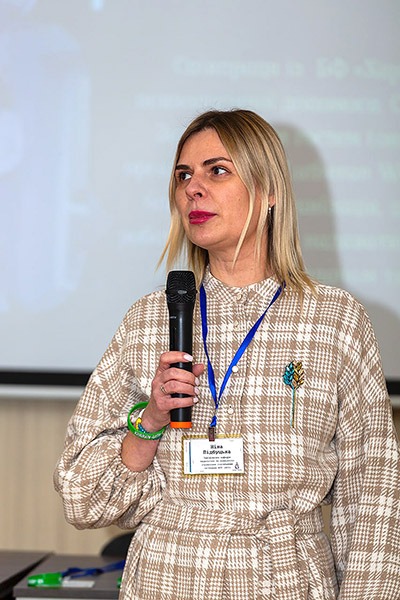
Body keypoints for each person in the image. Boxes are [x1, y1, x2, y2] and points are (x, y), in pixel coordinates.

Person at [54, 109, 400, 599]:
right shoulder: (149, 320)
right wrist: (149, 421)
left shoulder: (335, 320)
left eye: (217, 171)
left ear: (269, 190)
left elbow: (372, 498)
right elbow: (80, 496)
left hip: (285, 579)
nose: (193, 189)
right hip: (167, 577)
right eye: (183, 175)